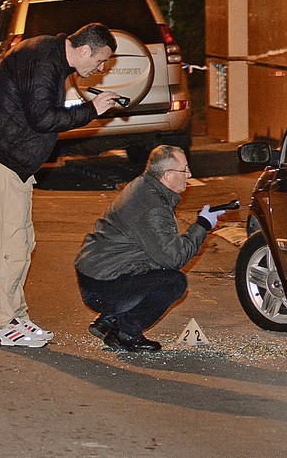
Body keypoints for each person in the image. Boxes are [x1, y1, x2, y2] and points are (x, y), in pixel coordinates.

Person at [0, 22, 121, 348]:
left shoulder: (51, 55)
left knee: (21, 243)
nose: (101, 69)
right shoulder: (44, 62)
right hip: (1, 159)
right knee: (8, 247)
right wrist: (91, 110)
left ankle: (16, 317)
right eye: (100, 61)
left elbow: (38, 111)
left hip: (11, 161)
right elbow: (43, 118)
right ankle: (3, 324)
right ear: (83, 51)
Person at [74, 145, 225, 352]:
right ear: (168, 175)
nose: (189, 175)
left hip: (98, 272)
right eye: (185, 170)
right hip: (101, 285)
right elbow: (174, 258)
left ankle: (110, 318)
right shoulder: (153, 207)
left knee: (158, 266)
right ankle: (125, 333)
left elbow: (154, 249)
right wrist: (203, 225)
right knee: (174, 282)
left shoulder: (144, 185)